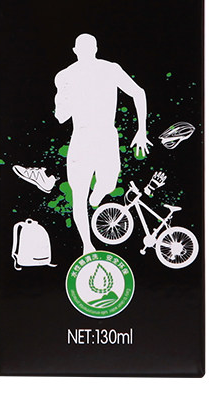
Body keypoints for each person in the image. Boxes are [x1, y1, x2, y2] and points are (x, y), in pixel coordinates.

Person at [54, 34, 150, 254]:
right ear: (75, 51)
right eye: (82, 49)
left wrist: (141, 130)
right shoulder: (65, 76)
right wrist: (68, 98)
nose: (86, 53)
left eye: (89, 49)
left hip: (106, 136)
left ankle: (97, 196)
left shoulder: (110, 69)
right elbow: (60, 117)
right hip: (81, 138)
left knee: (108, 184)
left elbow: (138, 92)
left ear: (96, 49)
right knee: (79, 196)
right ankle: (87, 245)